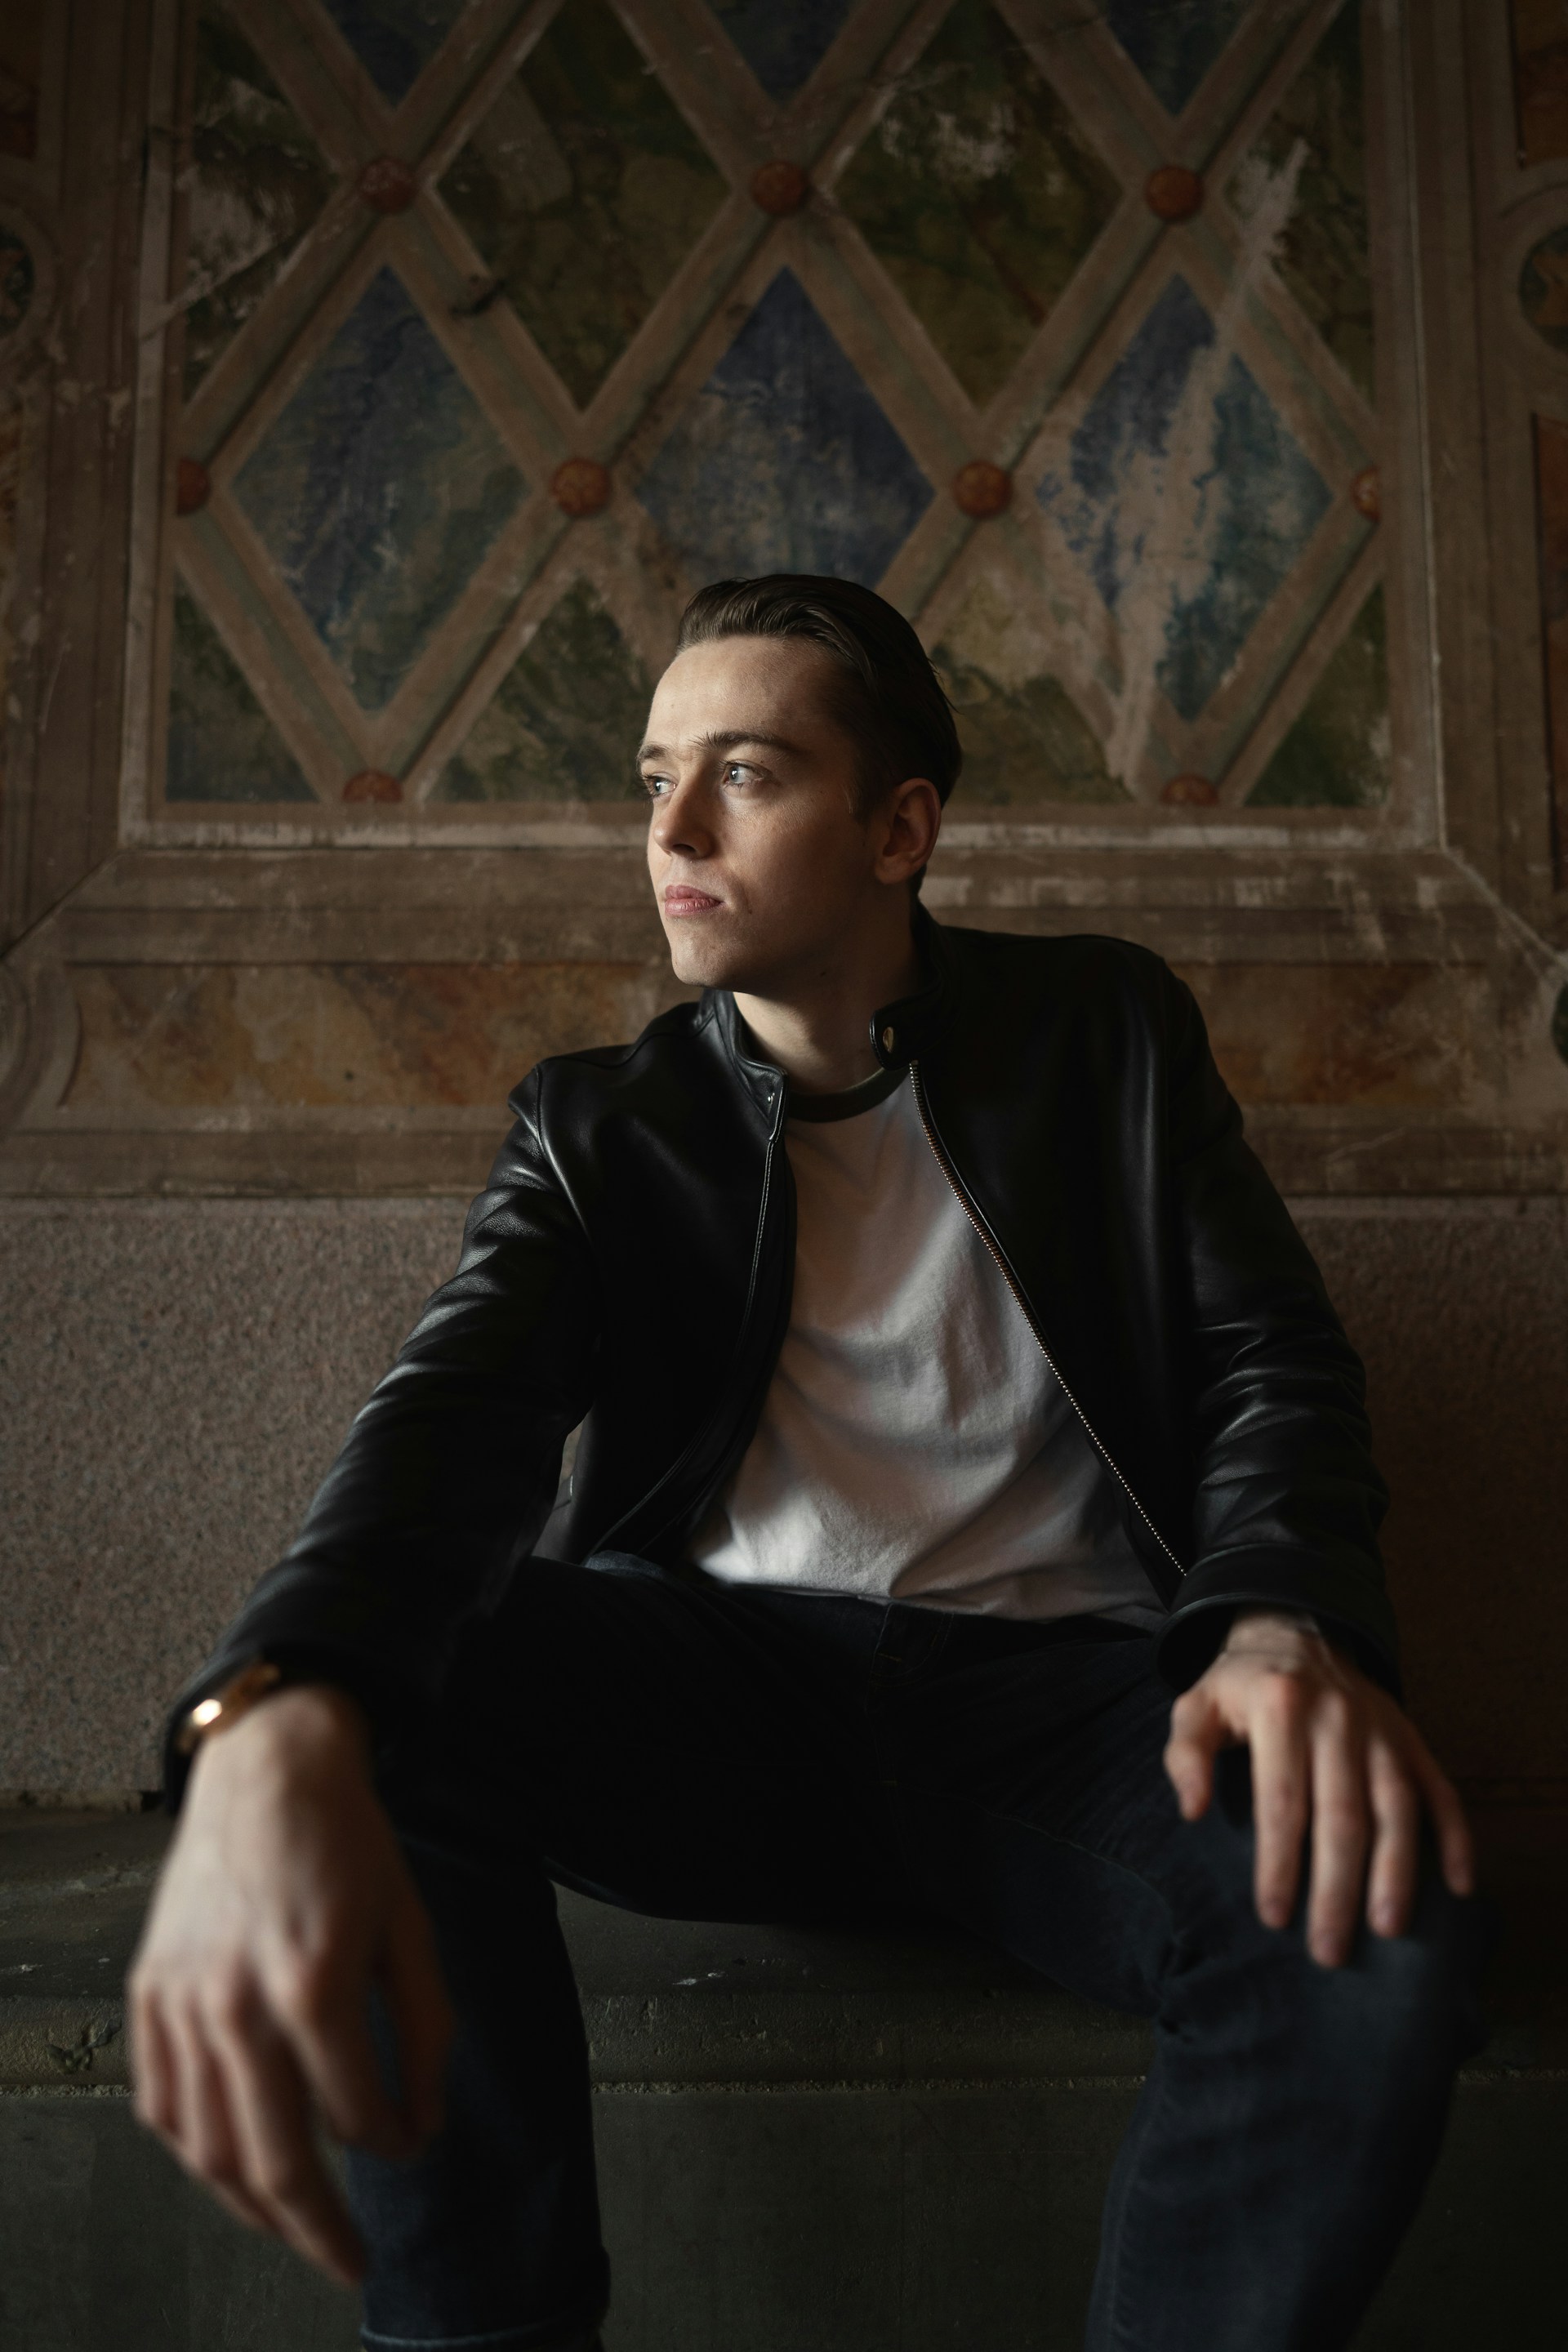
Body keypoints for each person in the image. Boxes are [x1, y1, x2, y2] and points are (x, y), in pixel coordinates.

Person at [129, 575, 1484, 2352]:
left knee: (1371, 1917)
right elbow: (446, 1428)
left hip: (1069, 1714)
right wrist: (276, 1699)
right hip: (722, 1702)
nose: (672, 831)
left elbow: (1268, 1363)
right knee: (377, 1696)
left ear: (899, 830)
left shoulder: (1104, 1033)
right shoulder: (598, 1127)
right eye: (654, 778)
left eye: (746, 775)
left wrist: (1279, 1624)